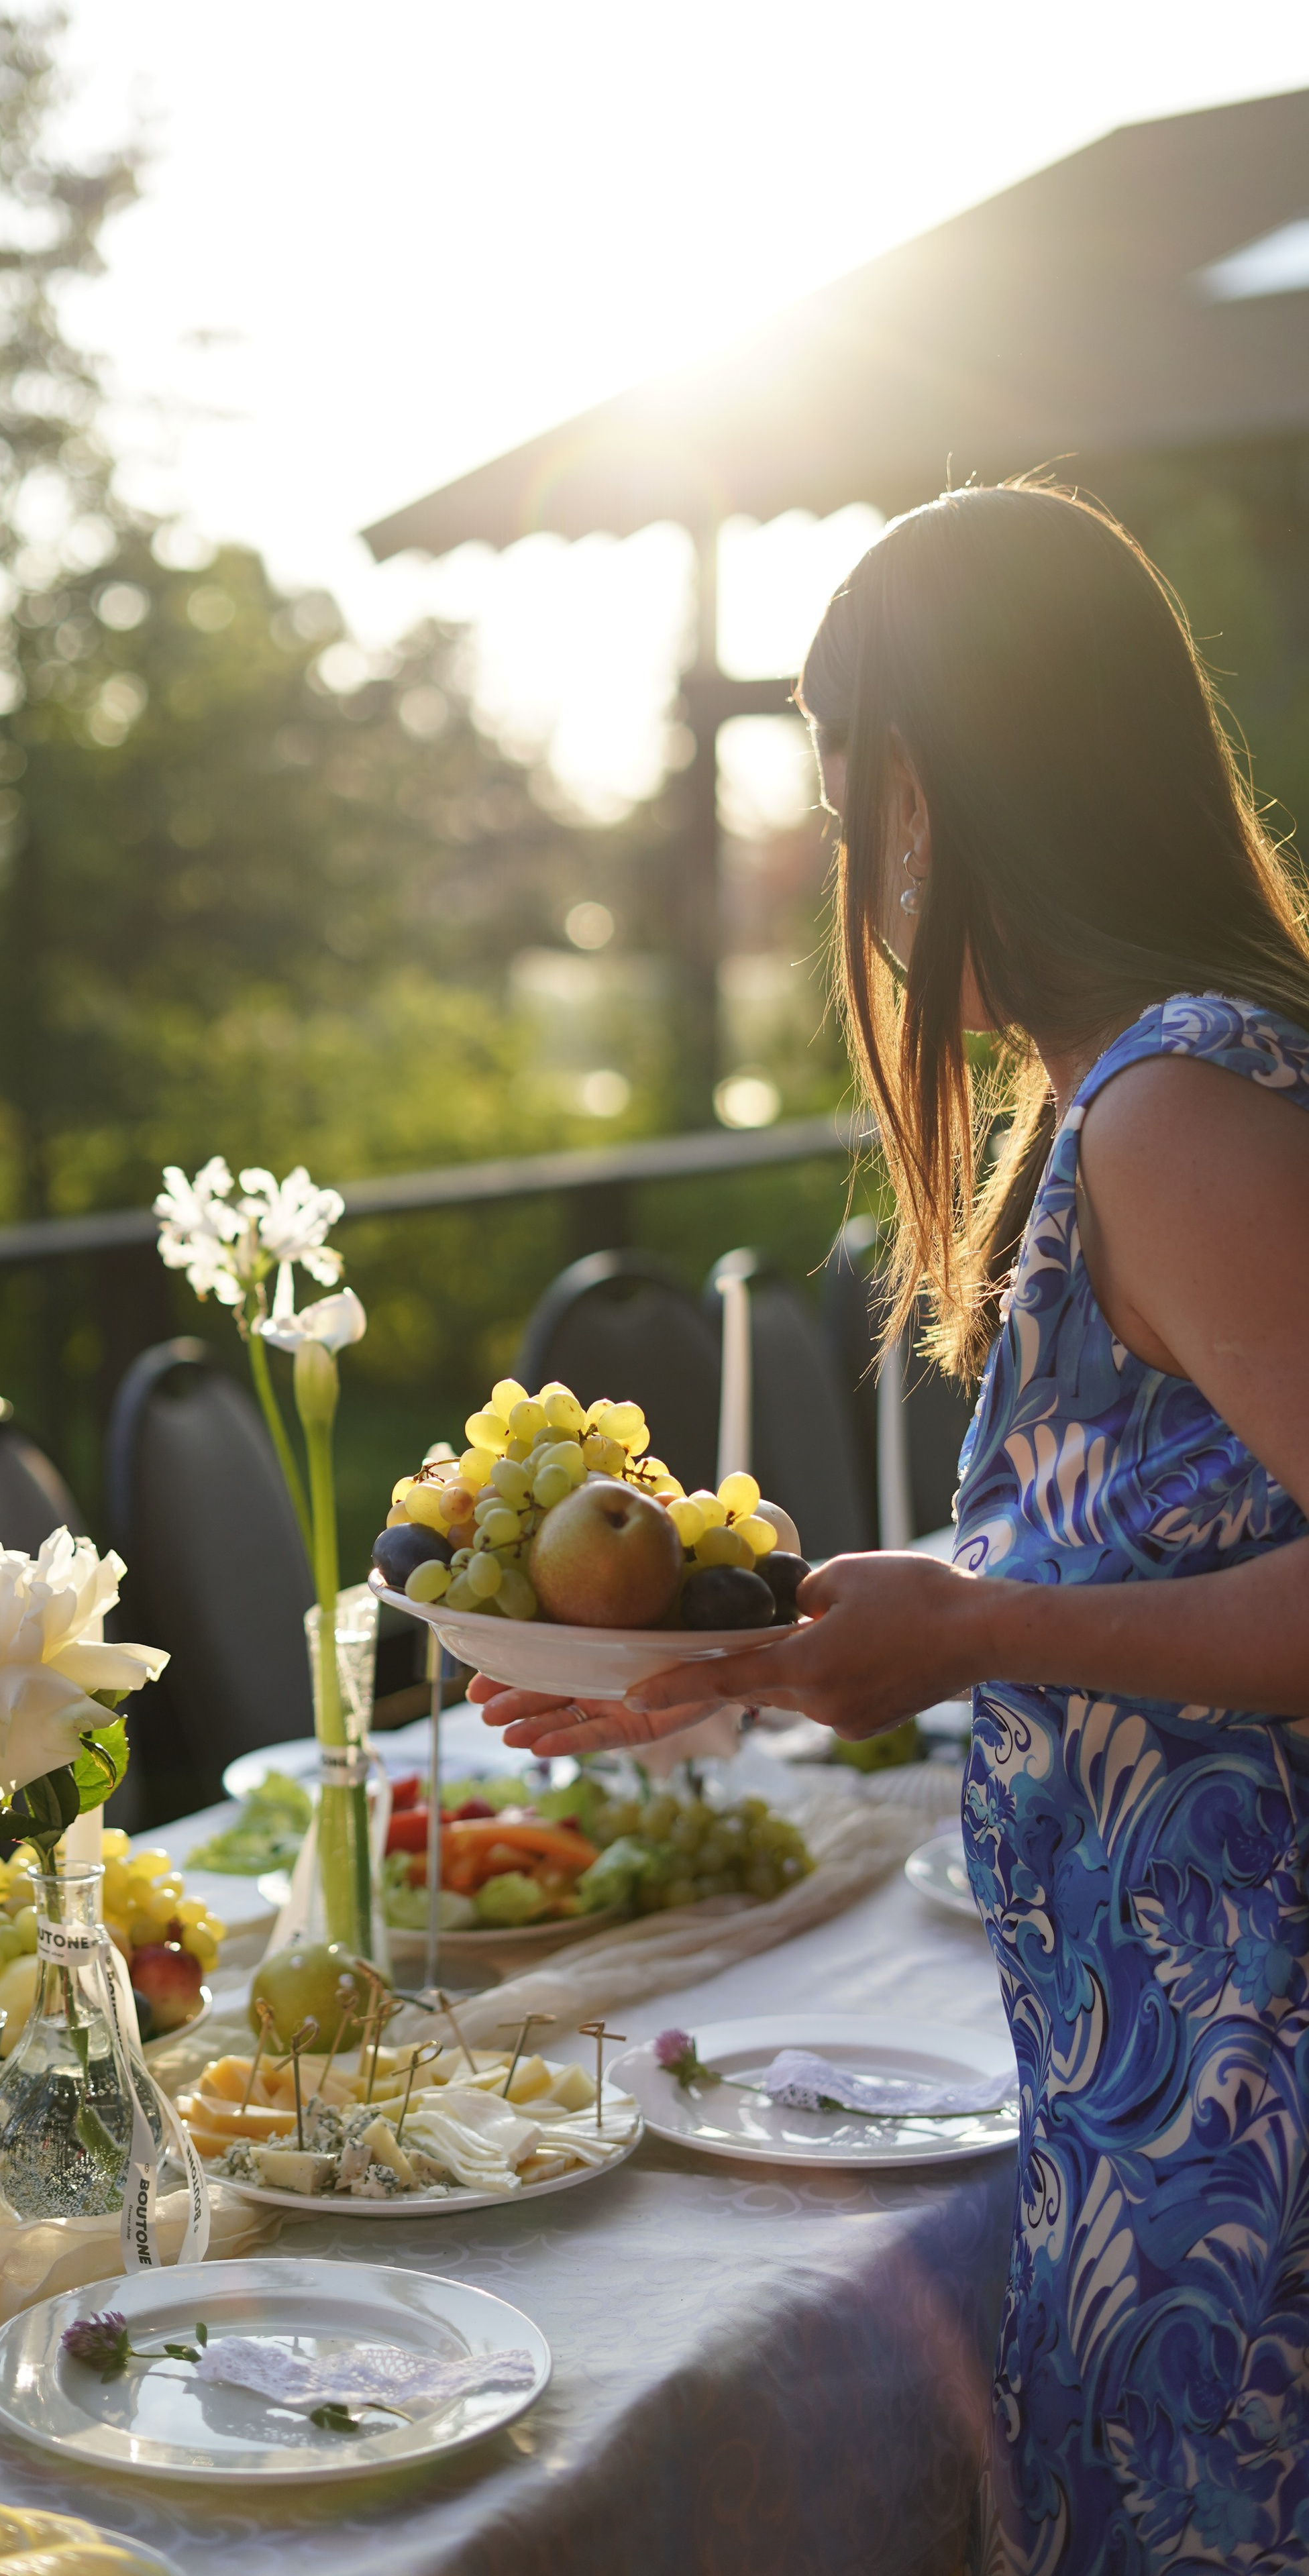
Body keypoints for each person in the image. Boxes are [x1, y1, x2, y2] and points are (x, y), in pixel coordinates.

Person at [474, 482, 1309, 2572]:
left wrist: (969, 1636)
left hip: (1248, 2117)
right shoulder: (1137, 1091)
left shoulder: (1178, 1108)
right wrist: (768, 1664)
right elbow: (1135, 1572)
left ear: (929, 793)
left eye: (850, 806)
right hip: (1169, 2081)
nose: (853, 870)